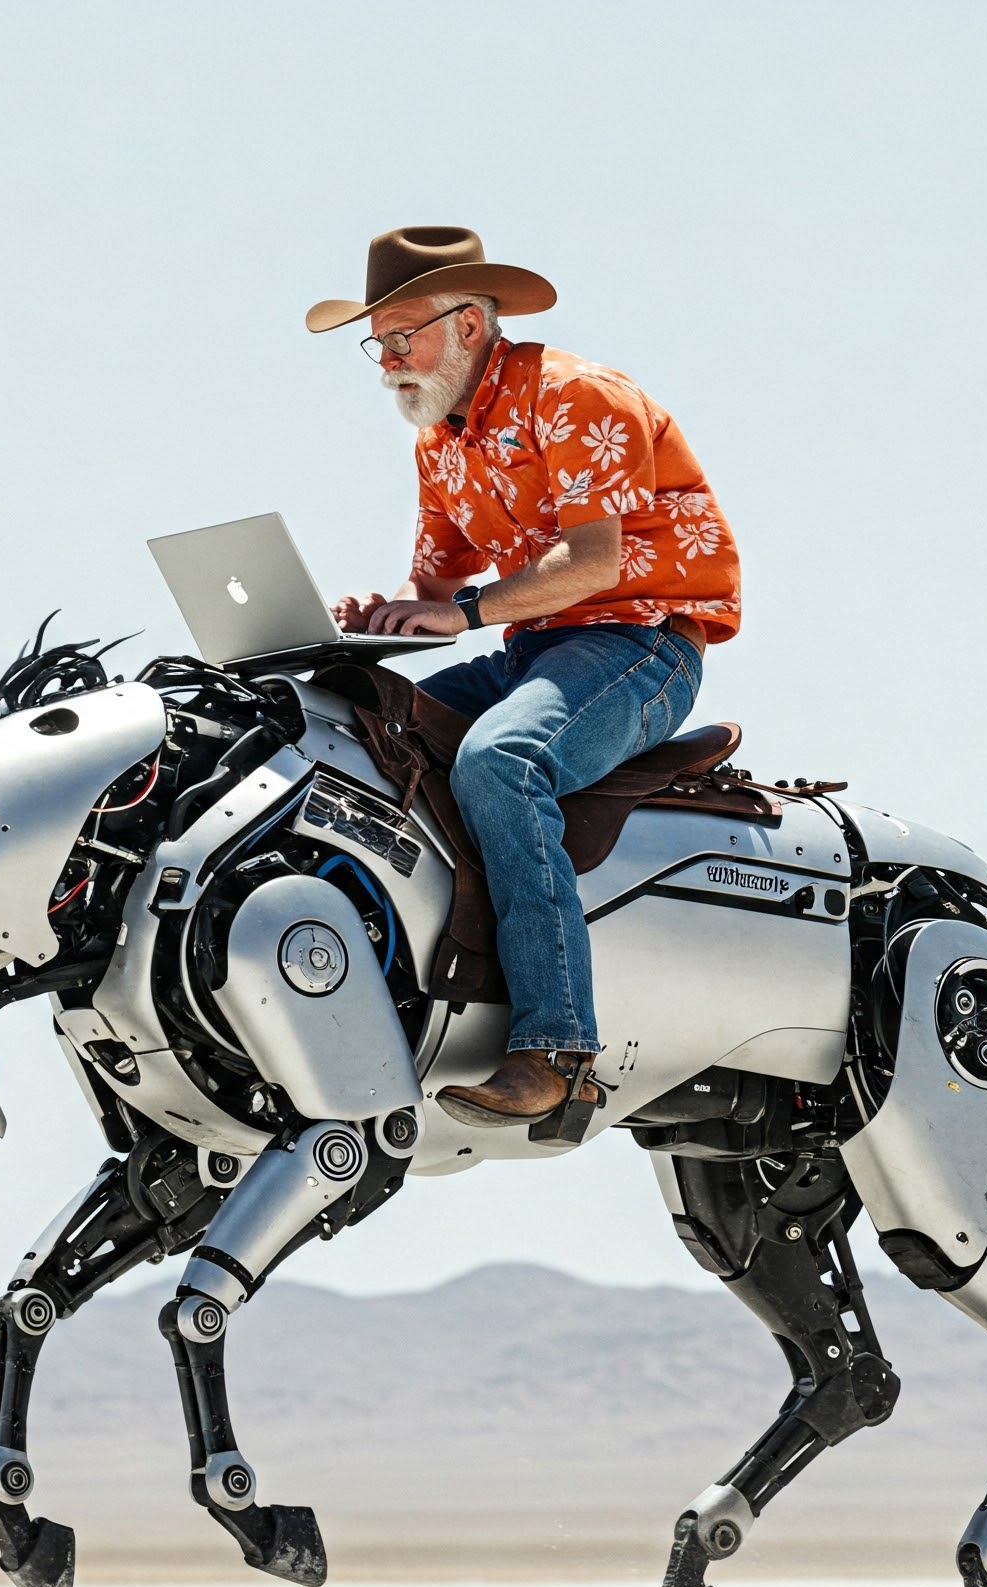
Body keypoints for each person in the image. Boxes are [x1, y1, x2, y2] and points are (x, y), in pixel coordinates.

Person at [308, 225, 743, 1129]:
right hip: (533, 650)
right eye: (377, 342)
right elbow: (429, 585)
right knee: (341, 718)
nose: (386, 358)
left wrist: (462, 615)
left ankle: (555, 1052)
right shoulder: (440, 437)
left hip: (639, 644)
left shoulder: (578, 398)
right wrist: (378, 619)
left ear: (469, 325)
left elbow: (592, 564)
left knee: (500, 760)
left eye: (403, 335)